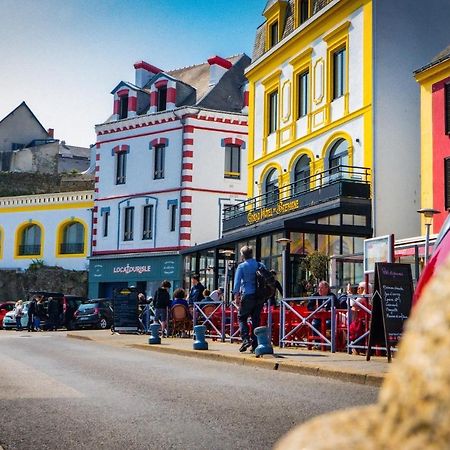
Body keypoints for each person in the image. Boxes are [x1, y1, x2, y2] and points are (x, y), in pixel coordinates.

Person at [233, 245, 265, 353]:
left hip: (248, 294)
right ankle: (255, 344)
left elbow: (237, 283)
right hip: (260, 296)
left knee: (242, 317)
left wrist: (236, 296)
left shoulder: (242, 267)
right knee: (256, 320)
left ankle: (246, 339)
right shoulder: (260, 265)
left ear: (242, 255)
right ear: (252, 254)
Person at [349, 281, 372, 355]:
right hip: (363, 320)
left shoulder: (368, 296)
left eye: (359, 288)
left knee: (358, 326)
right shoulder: (362, 297)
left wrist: (361, 295)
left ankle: (355, 346)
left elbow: (352, 303)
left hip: (369, 320)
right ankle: (356, 346)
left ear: (364, 289)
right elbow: (352, 304)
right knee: (357, 326)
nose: (357, 290)